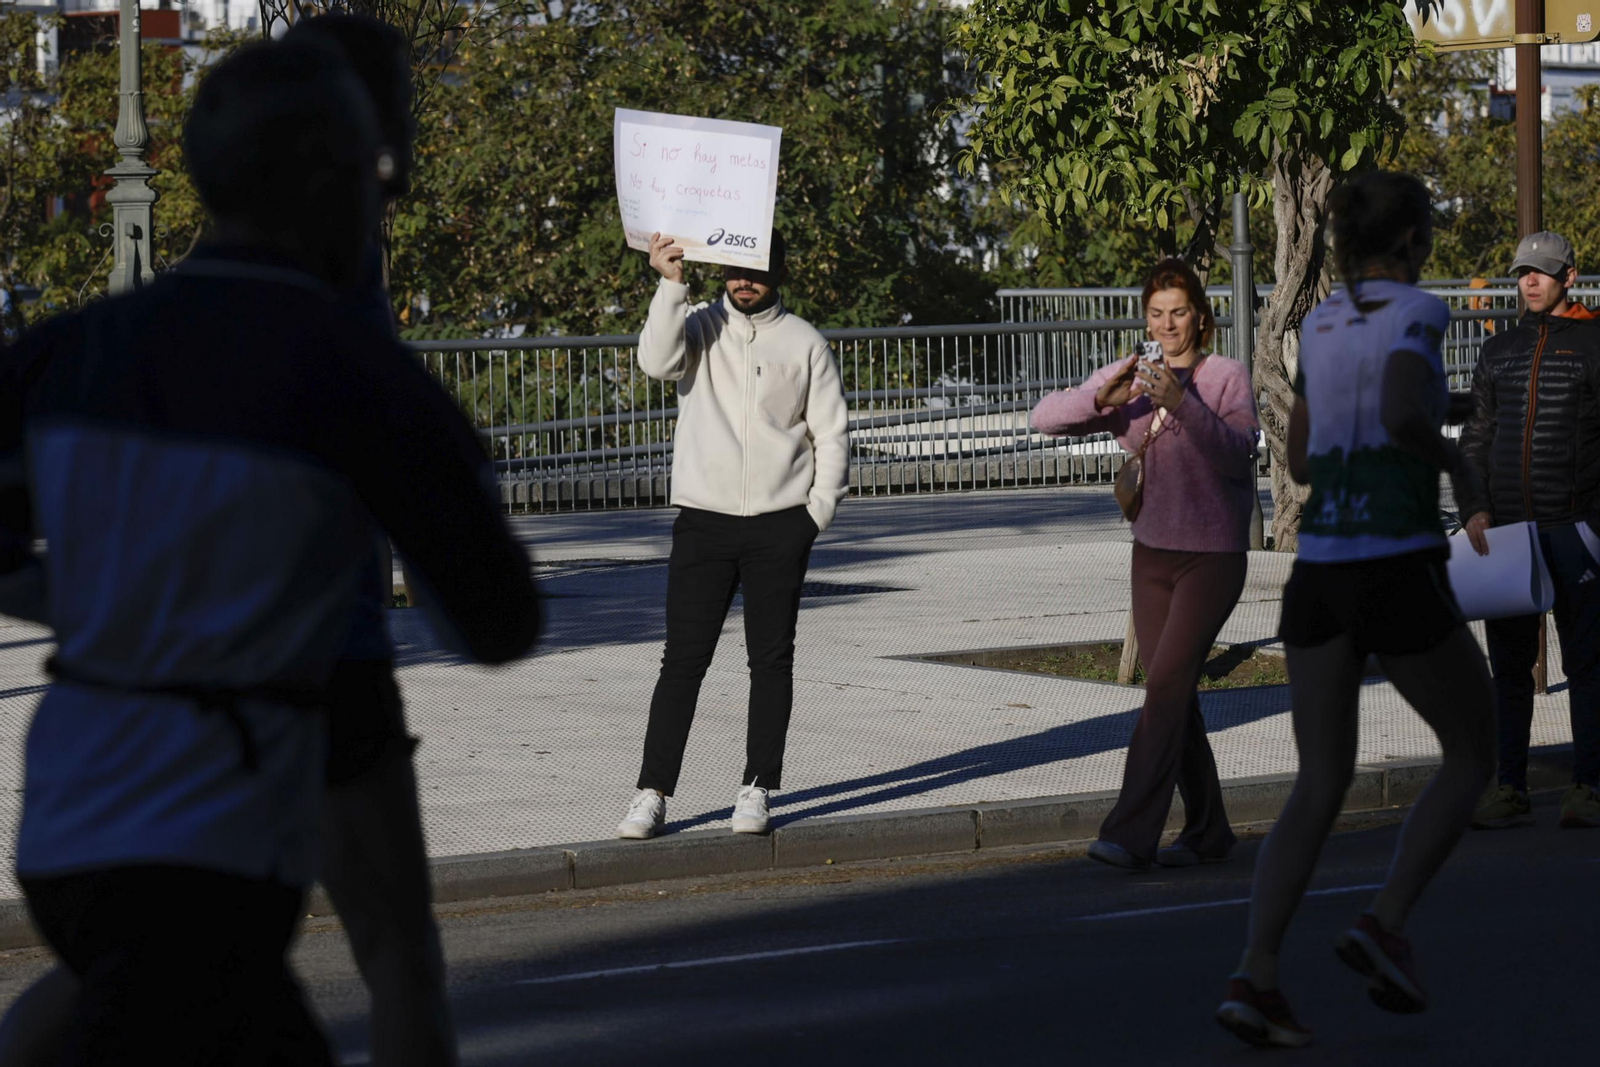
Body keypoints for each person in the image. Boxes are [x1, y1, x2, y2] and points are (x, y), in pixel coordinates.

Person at [0, 38, 539, 1064]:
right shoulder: (354, 374)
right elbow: (497, 618)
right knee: (358, 976)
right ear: (333, 182)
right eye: (377, 174)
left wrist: (110, 602)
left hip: (70, 817)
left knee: (106, 1001)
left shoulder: (70, 350)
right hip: (225, 821)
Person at [1216, 171, 1496, 1048]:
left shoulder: (1321, 321)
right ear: (1411, 237)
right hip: (1395, 559)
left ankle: (1255, 973)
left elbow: (1297, 455)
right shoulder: (1417, 310)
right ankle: (1385, 919)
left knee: (1320, 780)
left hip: (1320, 572)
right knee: (1475, 750)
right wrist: (1450, 461)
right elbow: (1399, 406)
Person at [615, 230, 849, 839]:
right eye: (735, 271)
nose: (745, 281)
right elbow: (656, 362)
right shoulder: (696, 326)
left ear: (780, 274)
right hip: (703, 521)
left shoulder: (804, 342)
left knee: (770, 660)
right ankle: (652, 792)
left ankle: (757, 788)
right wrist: (669, 283)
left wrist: (814, 514)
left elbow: (831, 433)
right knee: (682, 662)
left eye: (759, 271)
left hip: (780, 525)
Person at [1030, 257, 1259, 870]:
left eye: (1178, 312)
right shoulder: (1133, 373)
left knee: (1163, 689)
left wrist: (1183, 403)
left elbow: (1238, 456)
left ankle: (1130, 833)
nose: (1166, 325)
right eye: (1156, 314)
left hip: (1212, 556)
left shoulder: (1226, 376)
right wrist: (1100, 397)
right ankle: (1209, 830)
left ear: (1201, 316)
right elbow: (1043, 418)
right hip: (1151, 553)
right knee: (1174, 697)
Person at [1460, 231, 1600, 830]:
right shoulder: (1499, 351)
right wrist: (1474, 508)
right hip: (1510, 535)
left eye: (1543, 272)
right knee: (1510, 668)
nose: (1530, 281)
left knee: (1589, 664)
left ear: (1570, 276)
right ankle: (1509, 786)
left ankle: (1588, 788)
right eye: (1523, 272)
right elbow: (1475, 439)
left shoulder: (1596, 343)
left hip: (1577, 531)